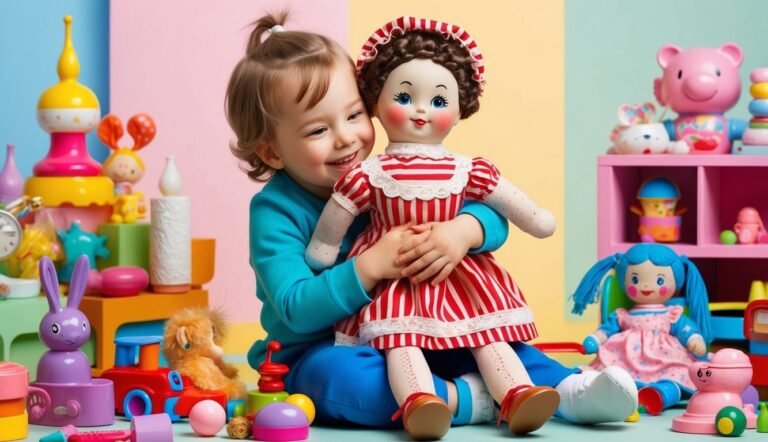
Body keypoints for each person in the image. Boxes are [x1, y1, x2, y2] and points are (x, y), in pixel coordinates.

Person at [224, 11, 637, 435]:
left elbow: (489, 208)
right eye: (317, 130)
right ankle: (469, 400)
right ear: (272, 152)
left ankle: (574, 390)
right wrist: (369, 267)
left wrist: (463, 231)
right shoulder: (275, 211)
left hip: (426, 327)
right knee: (346, 381)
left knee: (497, 343)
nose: (346, 138)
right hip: (326, 347)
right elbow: (294, 309)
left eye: (354, 115)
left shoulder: (388, 173)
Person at [306, 17, 562, 438]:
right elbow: (333, 225)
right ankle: (419, 401)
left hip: (460, 278)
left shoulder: (467, 169)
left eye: (439, 102)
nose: (422, 110)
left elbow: (515, 208)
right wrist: (323, 252)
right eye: (404, 97)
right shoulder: (370, 174)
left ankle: (517, 393)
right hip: (396, 281)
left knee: (488, 335)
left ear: (460, 110)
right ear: (376, 100)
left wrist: (536, 219)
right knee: (399, 342)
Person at [572, 243, 712, 392]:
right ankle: (617, 388)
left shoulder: (671, 314)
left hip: (663, 359)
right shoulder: (622, 315)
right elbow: (607, 329)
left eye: (659, 281)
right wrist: (595, 338)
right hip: (626, 359)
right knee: (611, 371)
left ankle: (664, 391)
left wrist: (693, 339)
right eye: (635, 280)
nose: (646, 286)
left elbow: (684, 328)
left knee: (678, 371)